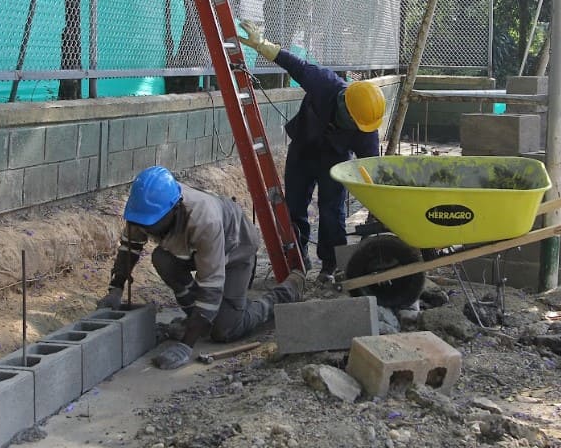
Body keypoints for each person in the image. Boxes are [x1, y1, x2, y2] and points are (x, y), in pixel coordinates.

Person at [97, 166, 306, 369]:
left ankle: (287, 291)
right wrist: (116, 288)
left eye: (152, 224)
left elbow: (211, 289)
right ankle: (197, 321)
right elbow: (130, 247)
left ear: (174, 209)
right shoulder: (145, 210)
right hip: (195, 250)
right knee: (163, 259)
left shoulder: (205, 221)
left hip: (235, 249)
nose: (146, 229)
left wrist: (185, 346)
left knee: (225, 330)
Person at [237, 20, 386, 283]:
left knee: (332, 211)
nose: (358, 128)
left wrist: (383, 204)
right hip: (303, 149)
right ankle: (297, 259)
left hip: (335, 160)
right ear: (345, 106)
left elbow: (371, 167)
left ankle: (332, 265)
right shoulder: (325, 84)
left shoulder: (366, 129)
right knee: (294, 206)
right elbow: (295, 64)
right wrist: (261, 45)